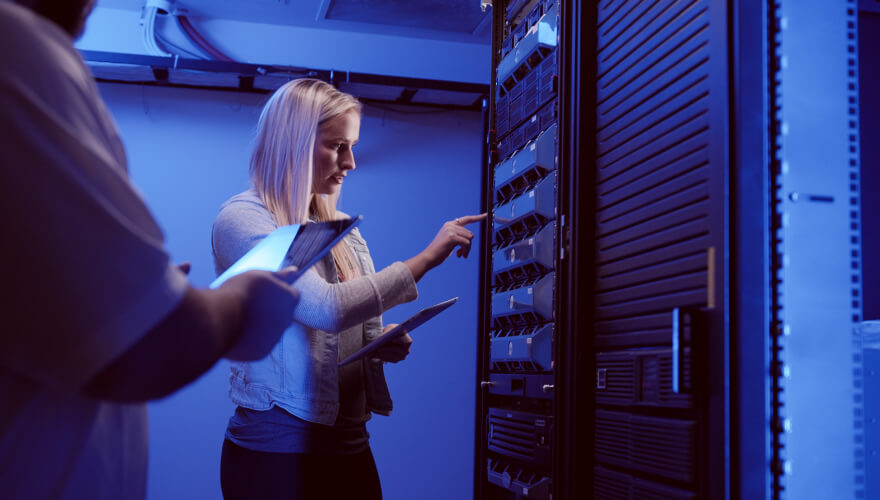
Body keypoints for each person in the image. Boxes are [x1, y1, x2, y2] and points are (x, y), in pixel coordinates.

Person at [0, 1, 300, 499]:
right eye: (336, 145)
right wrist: (239, 302)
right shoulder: (15, 45)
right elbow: (156, 347)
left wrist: (147, 296)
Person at [213, 78, 486, 499]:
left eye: (352, 145)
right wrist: (427, 259)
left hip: (351, 449)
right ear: (296, 142)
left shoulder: (344, 232)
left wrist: (381, 342)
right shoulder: (244, 221)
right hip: (276, 460)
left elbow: (353, 325)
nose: (351, 161)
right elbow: (325, 309)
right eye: (338, 145)